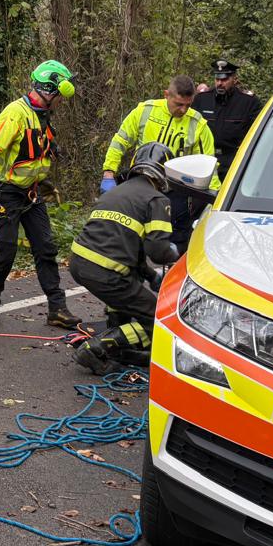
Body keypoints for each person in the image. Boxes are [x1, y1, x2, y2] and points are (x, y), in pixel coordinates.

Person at [0, 61, 83, 330]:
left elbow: (34, 146)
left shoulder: (42, 114)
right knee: (6, 250)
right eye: (59, 95)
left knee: (45, 248)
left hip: (32, 193)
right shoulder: (16, 113)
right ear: (51, 91)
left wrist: (51, 148)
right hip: (6, 192)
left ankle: (57, 308)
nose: (60, 102)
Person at [69, 142, 179, 375]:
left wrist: (149, 276)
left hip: (79, 262)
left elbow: (131, 244)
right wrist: (177, 255)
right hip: (106, 271)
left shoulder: (116, 191)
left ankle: (117, 338)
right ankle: (97, 347)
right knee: (155, 318)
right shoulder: (157, 200)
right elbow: (157, 251)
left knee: (128, 286)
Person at [101, 75, 219, 253]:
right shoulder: (145, 111)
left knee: (174, 243)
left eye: (188, 105)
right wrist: (108, 173)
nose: (183, 110)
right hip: (141, 185)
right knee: (129, 237)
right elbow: (120, 141)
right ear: (166, 95)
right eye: (179, 104)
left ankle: (170, 277)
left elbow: (209, 166)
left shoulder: (198, 125)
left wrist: (215, 201)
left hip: (175, 191)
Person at [191, 58, 262, 178]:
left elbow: (256, 136)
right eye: (217, 79)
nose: (220, 83)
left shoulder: (248, 102)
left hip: (234, 163)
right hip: (205, 161)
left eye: (224, 79)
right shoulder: (202, 100)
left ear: (234, 79)